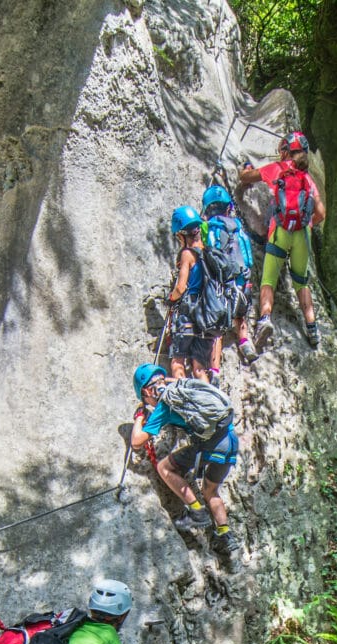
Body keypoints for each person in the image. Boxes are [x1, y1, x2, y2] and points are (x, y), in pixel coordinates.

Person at [130, 363, 241, 558]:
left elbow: (137, 442)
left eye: (146, 399)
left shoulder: (165, 404)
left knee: (165, 467)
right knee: (210, 490)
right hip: (230, 440)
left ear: (148, 391)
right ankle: (225, 535)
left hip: (211, 445)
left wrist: (140, 416)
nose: (149, 404)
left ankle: (196, 512)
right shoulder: (184, 386)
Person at [238, 132, 326, 352]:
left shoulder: (279, 169)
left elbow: (246, 178)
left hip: (280, 231)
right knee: (301, 282)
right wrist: (305, 224)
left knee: (268, 278)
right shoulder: (307, 179)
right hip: (301, 236)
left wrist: (245, 168)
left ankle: (264, 320)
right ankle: (312, 329)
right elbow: (321, 213)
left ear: (285, 150)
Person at [201, 183, 258, 378]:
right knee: (241, 314)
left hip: (221, 283)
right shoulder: (238, 228)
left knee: (217, 328)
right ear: (228, 208)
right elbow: (247, 256)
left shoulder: (209, 228)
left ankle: (214, 370)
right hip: (242, 279)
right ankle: (245, 343)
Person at [167, 205, 213, 382]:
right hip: (207, 317)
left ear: (181, 234)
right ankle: (209, 406)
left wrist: (170, 299)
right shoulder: (208, 252)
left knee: (178, 362)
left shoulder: (187, 254)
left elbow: (180, 288)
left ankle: (185, 405)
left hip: (188, 315)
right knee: (199, 368)